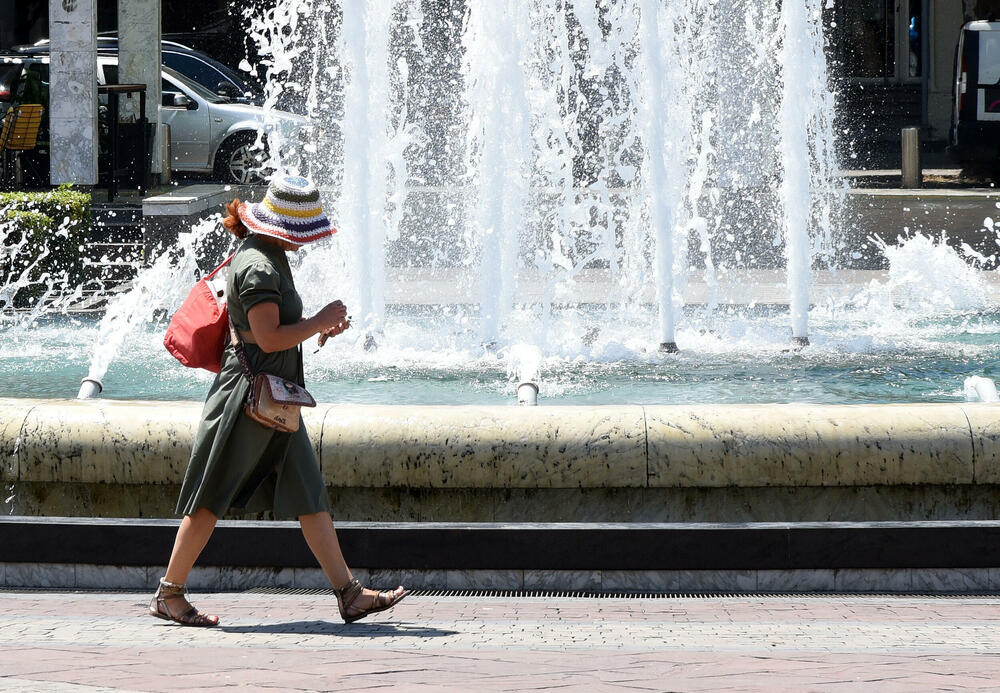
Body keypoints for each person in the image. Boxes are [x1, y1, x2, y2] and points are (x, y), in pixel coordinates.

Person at [149, 175, 407, 627]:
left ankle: (349, 594)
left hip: (275, 402)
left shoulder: (267, 257)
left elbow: (271, 332)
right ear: (285, 227)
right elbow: (267, 339)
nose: (305, 243)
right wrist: (319, 319)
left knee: (309, 492)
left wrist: (317, 328)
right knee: (211, 496)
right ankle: (169, 593)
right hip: (247, 403)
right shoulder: (259, 267)